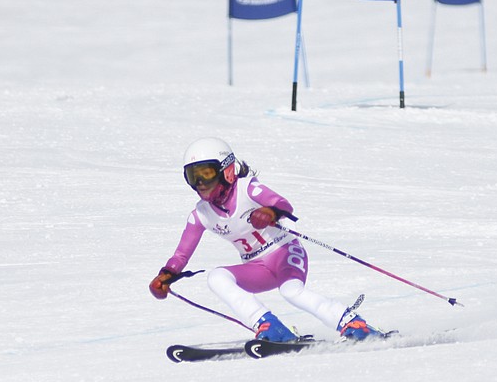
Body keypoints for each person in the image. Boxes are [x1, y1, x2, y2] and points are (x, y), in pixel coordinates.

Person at [148, 137, 378, 342]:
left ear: (227, 171)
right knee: (217, 277)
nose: (200, 183)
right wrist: (166, 276)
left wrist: (269, 213)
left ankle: (351, 322)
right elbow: (181, 255)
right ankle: (270, 326)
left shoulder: (247, 189)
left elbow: (283, 205)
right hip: (257, 268)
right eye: (192, 176)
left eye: (205, 173)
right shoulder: (200, 214)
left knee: (291, 291)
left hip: (285, 253)